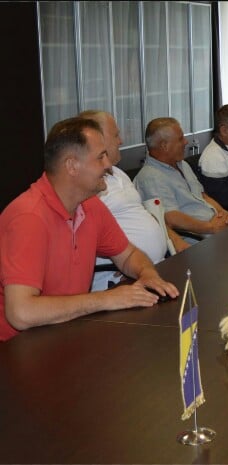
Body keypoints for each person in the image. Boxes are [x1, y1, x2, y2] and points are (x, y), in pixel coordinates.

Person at [0, 117, 179, 341]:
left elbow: (128, 255)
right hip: (17, 347)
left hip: (64, 331)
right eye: (100, 157)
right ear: (72, 166)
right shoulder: (29, 217)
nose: (109, 165)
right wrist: (106, 299)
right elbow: (21, 313)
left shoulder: (90, 205)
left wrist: (148, 275)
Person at [78, 110, 190, 291]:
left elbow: (145, 214)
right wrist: (122, 263)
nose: (121, 141)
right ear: (98, 140)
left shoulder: (119, 174)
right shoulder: (88, 183)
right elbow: (81, 234)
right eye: (116, 135)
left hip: (152, 267)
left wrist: (173, 237)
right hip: (121, 280)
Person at [134, 117, 228, 238]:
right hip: (198, 238)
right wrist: (211, 227)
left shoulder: (183, 164)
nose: (186, 142)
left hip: (216, 228)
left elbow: (203, 196)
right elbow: (171, 218)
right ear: (164, 145)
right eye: (180, 138)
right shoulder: (150, 177)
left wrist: (223, 214)